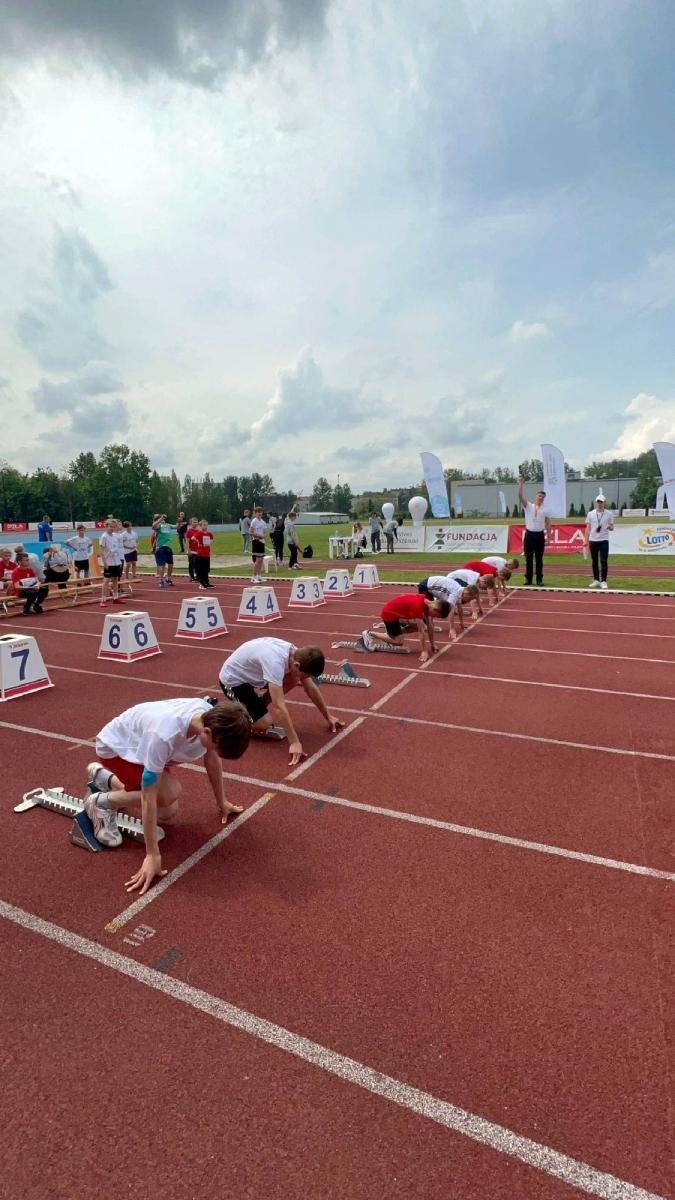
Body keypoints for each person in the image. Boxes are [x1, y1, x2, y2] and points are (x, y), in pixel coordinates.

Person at [85, 697, 251, 894]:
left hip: (142, 745)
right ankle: (101, 803)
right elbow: (148, 797)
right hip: (118, 748)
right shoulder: (163, 735)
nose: (213, 751)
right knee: (169, 793)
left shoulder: (213, 718)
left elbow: (213, 760)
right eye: (215, 746)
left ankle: (105, 779)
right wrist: (152, 855)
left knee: (167, 811)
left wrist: (222, 802)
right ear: (207, 732)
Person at [218, 638, 344, 767]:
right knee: (264, 723)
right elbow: (278, 706)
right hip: (233, 681)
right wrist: (294, 742)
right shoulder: (275, 664)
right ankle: (221, 710)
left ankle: (256, 708)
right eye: (306, 675)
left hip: (254, 674)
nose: (305, 679)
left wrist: (328, 716)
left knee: (293, 679)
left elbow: (311, 688)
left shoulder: (298, 655)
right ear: (297, 665)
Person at [360, 592, 451, 663]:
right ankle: (370, 634)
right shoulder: (418, 607)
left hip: (399, 615)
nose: (434, 617)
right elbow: (421, 632)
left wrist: (432, 644)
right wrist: (424, 651)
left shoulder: (428, 604)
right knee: (399, 642)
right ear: (435, 609)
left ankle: (392, 635)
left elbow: (430, 625)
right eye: (436, 616)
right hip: (389, 614)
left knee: (424, 626)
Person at [518, 477, 551, 586]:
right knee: (528, 558)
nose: (541, 498)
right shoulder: (528, 506)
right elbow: (520, 496)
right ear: (535, 497)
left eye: (543, 497)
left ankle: (539, 579)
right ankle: (528, 579)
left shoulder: (545, 509)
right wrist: (521, 484)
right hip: (529, 534)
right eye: (539, 496)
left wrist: (549, 537)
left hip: (540, 535)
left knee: (539, 559)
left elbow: (548, 523)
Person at [584, 495, 614, 589]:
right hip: (593, 540)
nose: (599, 503)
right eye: (598, 502)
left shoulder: (609, 514)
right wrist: (585, 540)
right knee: (594, 561)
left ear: (604, 503)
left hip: (604, 540)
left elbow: (612, 527)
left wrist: (610, 527)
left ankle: (603, 581)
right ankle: (596, 580)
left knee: (604, 561)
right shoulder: (590, 514)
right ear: (596, 502)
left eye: (601, 502)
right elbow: (588, 528)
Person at [99, 518, 124, 606]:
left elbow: (117, 549)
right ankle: (103, 600)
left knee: (115, 579)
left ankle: (115, 598)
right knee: (106, 580)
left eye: (114, 527)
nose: (112, 528)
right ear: (106, 526)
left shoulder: (115, 536)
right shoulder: (104, 536)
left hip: (116, 561)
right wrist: (105, 562)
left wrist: (119, 561)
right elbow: (101, 550)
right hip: (108, 561)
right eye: (111, 527)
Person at [152, 513, 175, 588]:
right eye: (161, 519)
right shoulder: (158, 526)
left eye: (163, 519)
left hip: (168, 548)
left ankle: (168, 578)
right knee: (162, 565)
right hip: (160, 548)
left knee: (171, 564)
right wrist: (160, 519)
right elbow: (153, 526)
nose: (163, 520)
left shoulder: (168, 525)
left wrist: (180, 521)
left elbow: (177, 526)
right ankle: (161, 580)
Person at [194, 518, 215, 589]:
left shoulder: (209, 534)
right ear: (200, 526)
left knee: (206, 569)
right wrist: (198, 542)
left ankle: (206, 582)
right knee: (201, 569)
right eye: (204, 525)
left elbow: (211, 540)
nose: (205, 526)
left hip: (207, 553)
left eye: (206, 525)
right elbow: (193, 538)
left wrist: (210, 549)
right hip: (200, 553)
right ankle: (201, 583)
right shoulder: (199, 533)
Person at [249, 505, 267, 583]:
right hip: (256, 542)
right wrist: (259, 535)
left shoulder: (263, 522)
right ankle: (253, 577)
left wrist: (264, 535)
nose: (260, 513)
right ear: (255, 513)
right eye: (258, 512)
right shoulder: (254, 521)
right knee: (257, 560)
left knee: (261, 559)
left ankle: (259, 576)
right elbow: (250, 532)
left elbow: (265, 532)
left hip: (262, 542)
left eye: (261, 512)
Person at [185, 516, 199, 581]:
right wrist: (189, 550)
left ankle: (197, 576)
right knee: (191, 563)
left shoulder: (198, 531)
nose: (195, 523)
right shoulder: (189, 531)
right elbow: (187, 541)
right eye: (194, 522)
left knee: (197, 564)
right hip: (191, 550)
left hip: (197, 550)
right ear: (191, 523)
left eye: (196, 522)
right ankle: (191, 576)